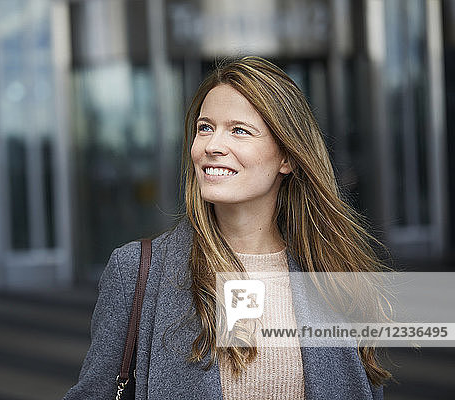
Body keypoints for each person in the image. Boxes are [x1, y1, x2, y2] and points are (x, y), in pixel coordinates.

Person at [63, 56, 390, 399]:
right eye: (205, 128)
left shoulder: (336, 273)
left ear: (287, 157)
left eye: (239, 130)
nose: (212, 146)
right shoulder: (136, 272)